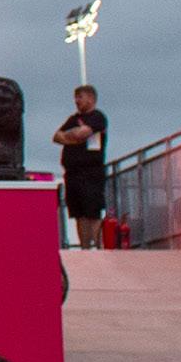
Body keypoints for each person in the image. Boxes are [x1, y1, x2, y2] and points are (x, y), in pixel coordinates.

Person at [55, 87, 109, 248]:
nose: (76, 101)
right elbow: (57, 136)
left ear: (91, 98)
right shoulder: (73, 119)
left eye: (80, 97)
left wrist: (72, 136)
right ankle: (84, 247)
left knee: (92, 210)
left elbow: (83, 133)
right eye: (76, 97)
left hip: (91, 171)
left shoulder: (97, 117)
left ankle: (97, 246)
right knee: (78, 213)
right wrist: (74, 136)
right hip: (72, 172)